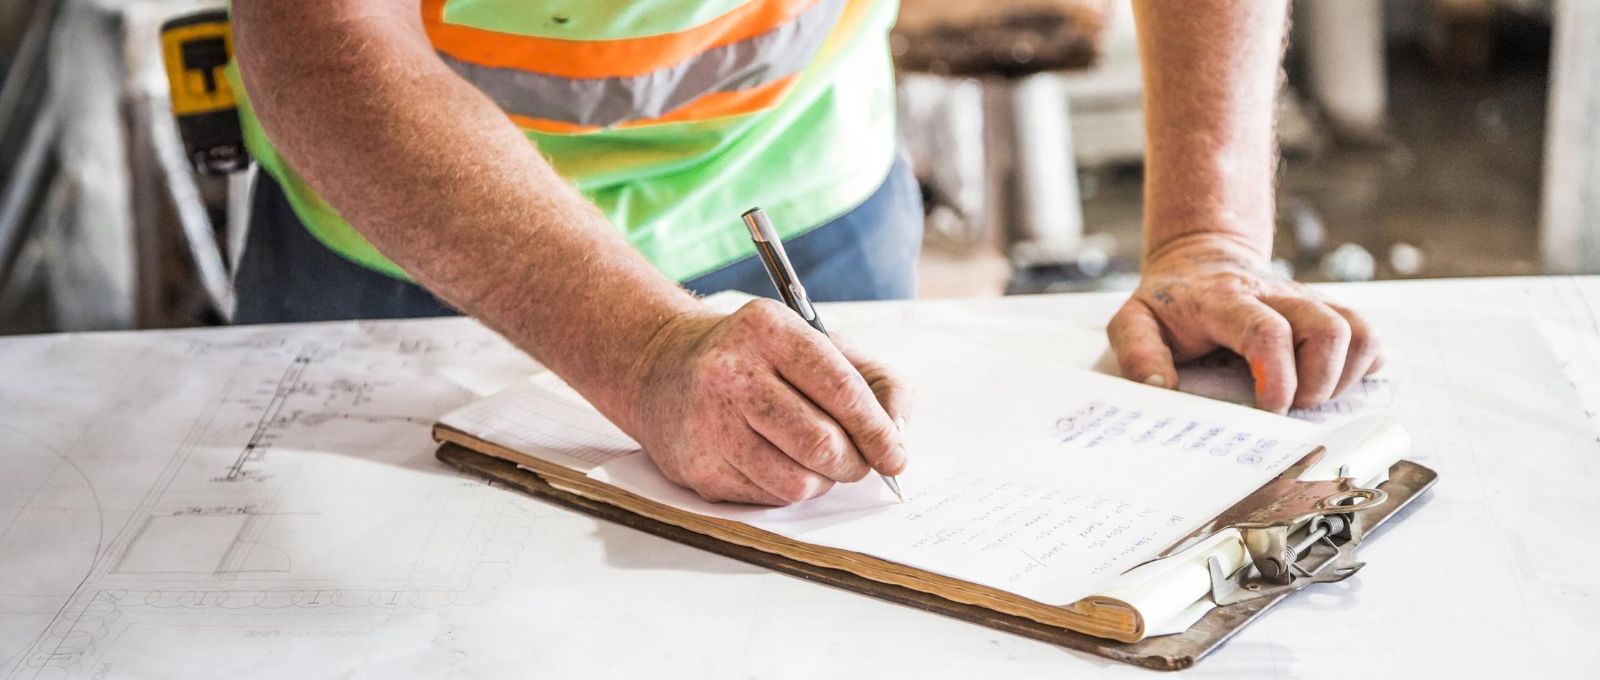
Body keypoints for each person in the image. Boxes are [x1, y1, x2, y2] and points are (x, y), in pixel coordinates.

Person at [229, 0, 1380, 506]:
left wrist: (1207, 234)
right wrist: (634, 343)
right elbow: (317, 35)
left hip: (805, 196)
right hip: (417, 255)